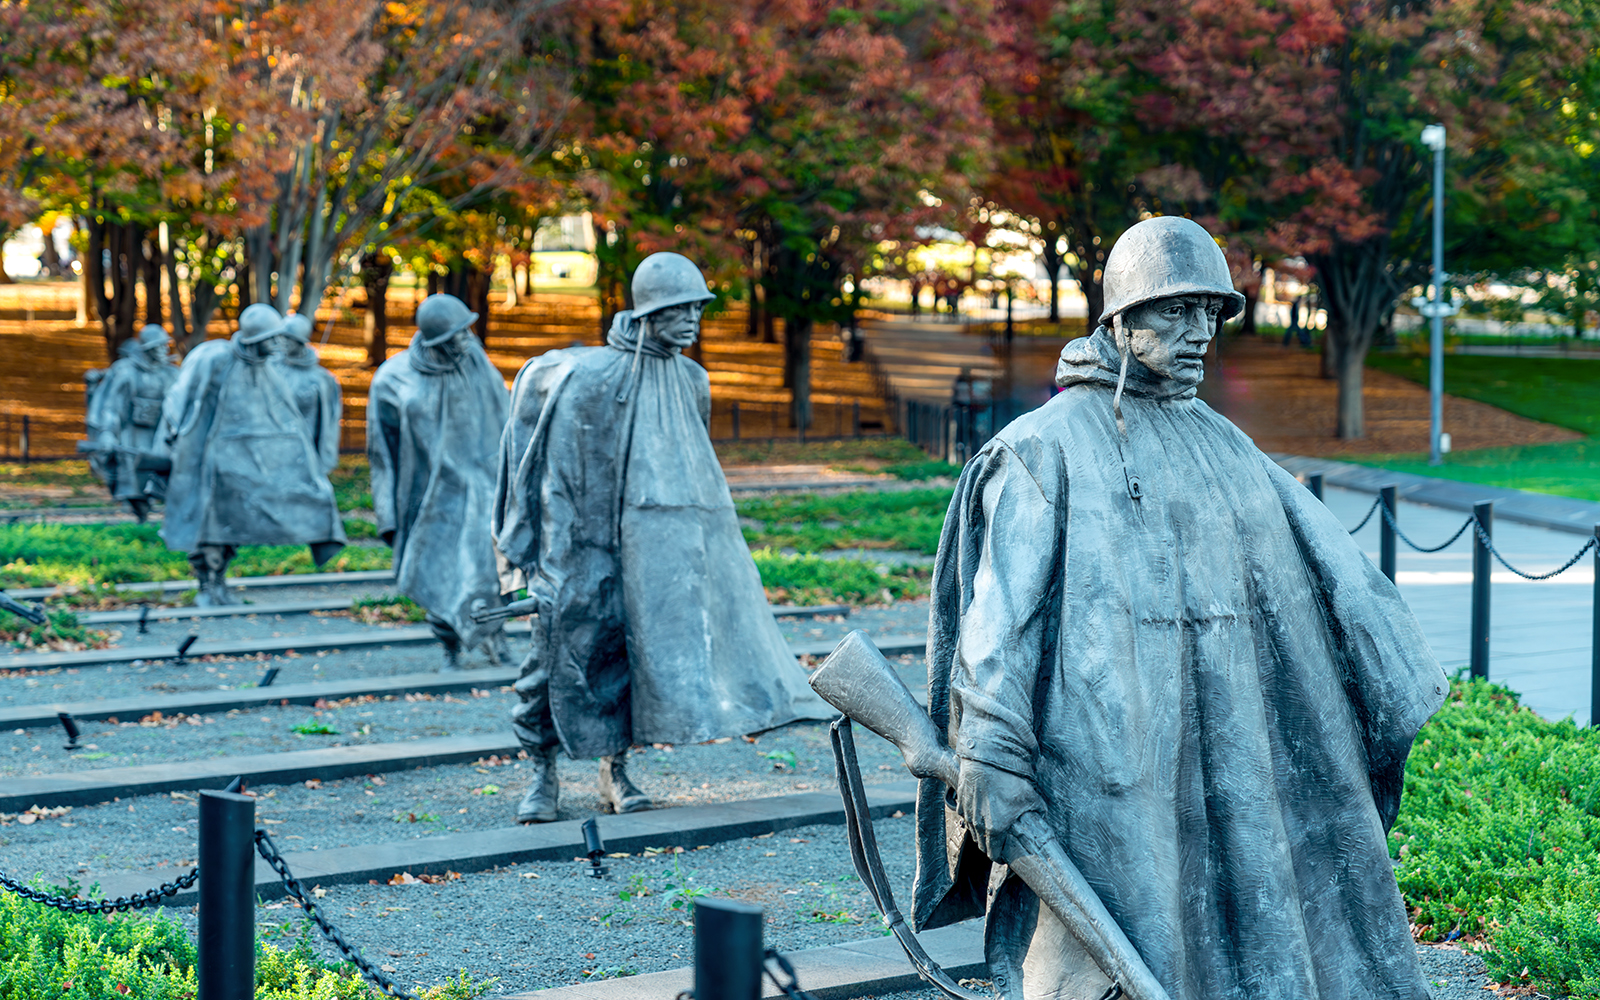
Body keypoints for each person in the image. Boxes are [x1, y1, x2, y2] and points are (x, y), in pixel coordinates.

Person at [915, 216, 1448, 999]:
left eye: (1210, 313)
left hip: (1234, 743)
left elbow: (1325, 579)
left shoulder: (1225, 443)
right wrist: (991, 750)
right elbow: (1003, 619)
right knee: (1110, 941)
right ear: (1122, 320)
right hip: (1108, 754)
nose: (1199, 333)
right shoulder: (1043, 449)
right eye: (1175, 311)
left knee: (1243, 934)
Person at [493, 251, 826, 824]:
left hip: (656, 555)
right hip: (579, 549)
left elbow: (695, 477)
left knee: (629, 660)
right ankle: (540, 773)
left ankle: (615, 771)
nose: (694, 318)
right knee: (552, 661)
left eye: (699, 307)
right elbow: (551, 476)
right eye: (682, 308)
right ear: (650, 313)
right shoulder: (586, 377)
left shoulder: (692, 381)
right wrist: (539, 563)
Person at [157, 303, 346, 606]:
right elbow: (181, 400)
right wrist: (175, 443)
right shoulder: (215, 357)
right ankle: (208, 585)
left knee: (232, 524)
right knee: (208, 526)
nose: (277, 346)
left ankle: (220, 583)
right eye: (271, 339)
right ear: (254, 339)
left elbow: (286, 418)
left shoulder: (268, 368)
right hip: (210, 462)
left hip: (244, 464)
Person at [368, 294, 511, 671]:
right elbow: (382, 451)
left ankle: (494, 635)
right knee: (438, 570)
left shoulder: (479, 365)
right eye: (455, 336)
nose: (465, 341)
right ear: (435, 340)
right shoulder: (393, 379)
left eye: (466, 331)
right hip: (430, 497)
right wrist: (388, 514)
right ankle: (449, 646)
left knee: (489, 572)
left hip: (484, 488)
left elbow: (507, 421)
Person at [85, 324, 178, 521]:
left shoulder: (172, 374)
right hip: (133, 434)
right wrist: (107, 433)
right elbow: (112, 407)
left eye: (165, 345)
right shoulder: (126, 372)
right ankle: (141, 516)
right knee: (134, 479)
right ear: (147, 349)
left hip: (161, 434)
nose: (165, 350)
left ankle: (169, 518)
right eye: (159, 346)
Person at [278, 313, 343, 475]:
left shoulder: (322, 379)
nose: (283, 342)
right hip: (277, 447)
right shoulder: (271, 371)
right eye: (281, 337)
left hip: (307, 448)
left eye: (289, 338)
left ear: (300, 341)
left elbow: (330, 419)